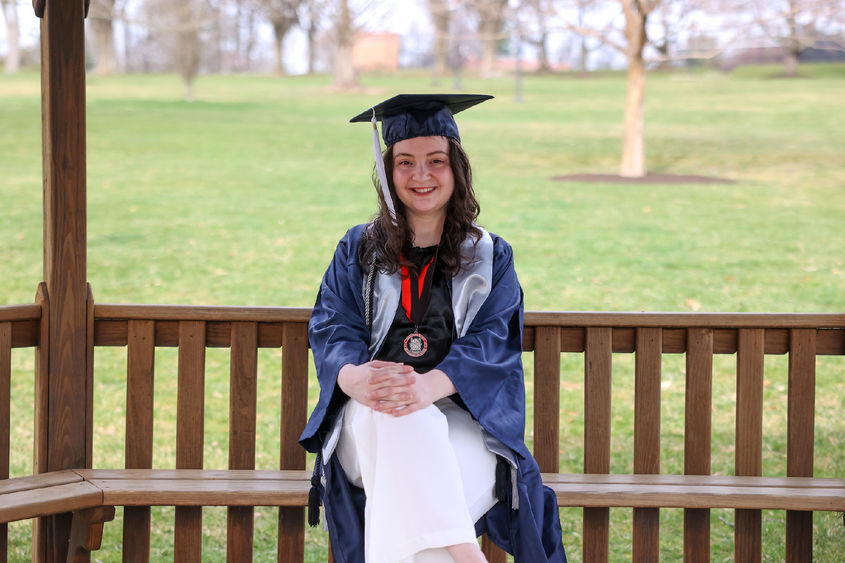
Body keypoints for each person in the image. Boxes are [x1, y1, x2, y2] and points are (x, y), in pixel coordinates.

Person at [299, 94, 567, 563]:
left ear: (456, 169)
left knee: (418, 536)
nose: (421, 176)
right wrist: (352, 377)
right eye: (405, 162)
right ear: (387, 172)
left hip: (465, 423)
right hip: (369, 419)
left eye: (435, 161)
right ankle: (469, 554)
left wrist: (428, 388)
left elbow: (492, 341)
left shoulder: (489, 256)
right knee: (397, 414)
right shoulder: (357, 249)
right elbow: (332, 325)